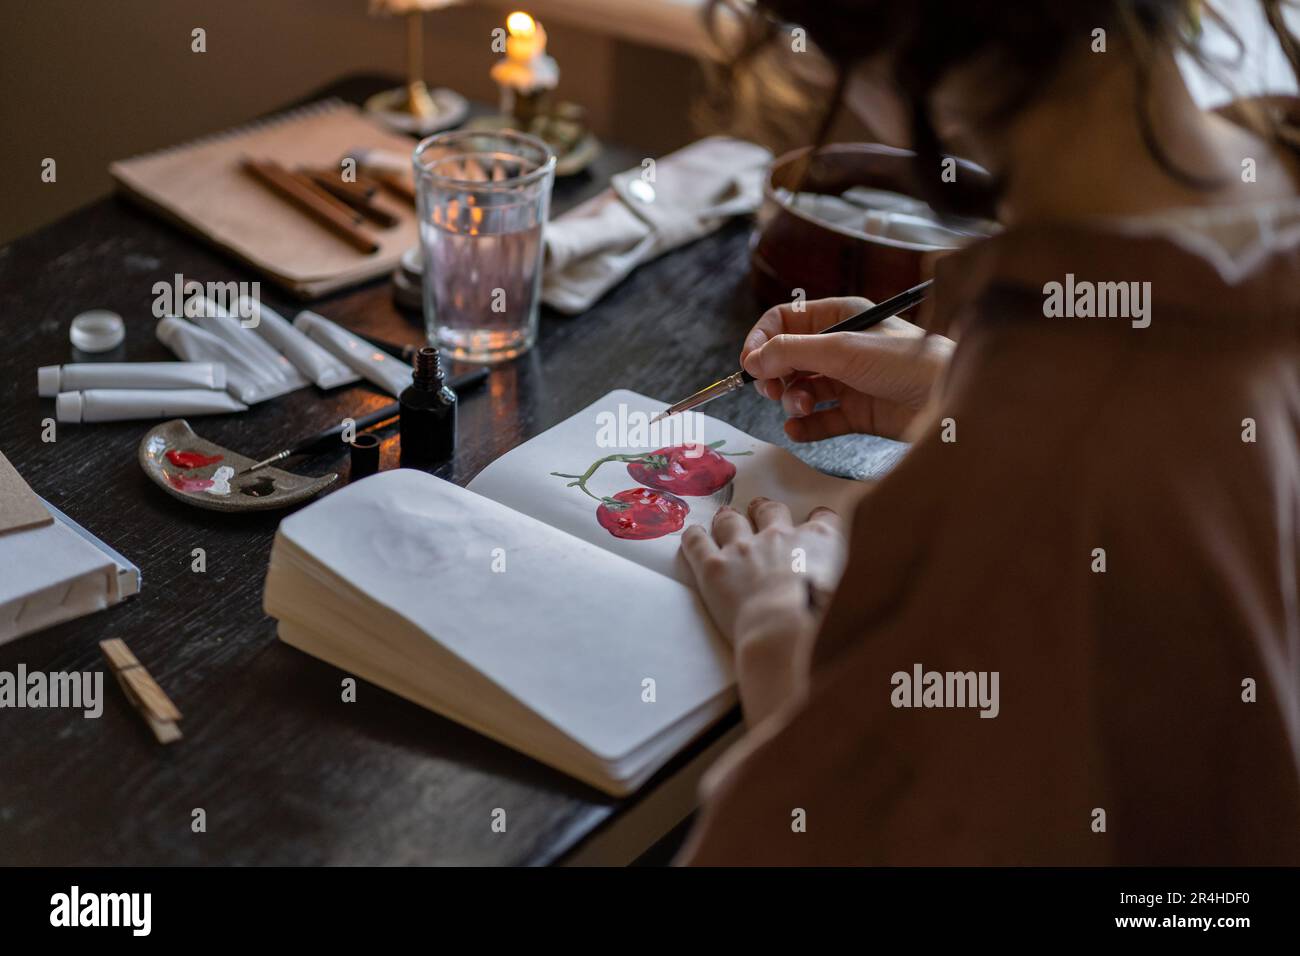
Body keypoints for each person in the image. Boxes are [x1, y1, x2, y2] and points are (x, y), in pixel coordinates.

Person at [676, 0, 1300, 864]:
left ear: (896, 48)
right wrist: (951, 385)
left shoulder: (1039, 457)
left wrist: (775, 631)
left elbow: (843, 835)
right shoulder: (1273, 172)